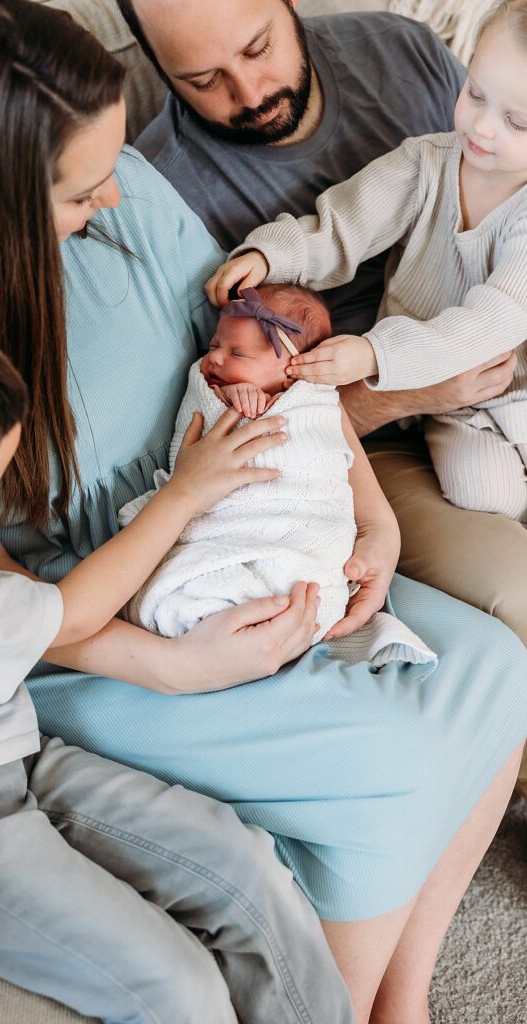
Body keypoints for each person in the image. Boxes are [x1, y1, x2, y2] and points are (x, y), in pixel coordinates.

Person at [0, 3, 524, 1022]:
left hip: (247, 514)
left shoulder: (126, 194)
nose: (114, 194)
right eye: (81, 189)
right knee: (383, 761)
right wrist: (173, 666)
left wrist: (370, 515)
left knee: (495, 668)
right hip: (90, 624)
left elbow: (262, 362)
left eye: (111, 165)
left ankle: (403, 999)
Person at [0, 315, 347, 1024]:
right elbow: (71, 616)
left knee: (247, 870)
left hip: (4, 745)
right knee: (176, 989)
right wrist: (184, 493)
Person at [119, 0, 527, 644]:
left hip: (490, 372)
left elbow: (497, 316)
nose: (249, 92)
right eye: (204, 79)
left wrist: (386, 356)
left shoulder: (401, 49)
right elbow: (340, 226)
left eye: (257, 47)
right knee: (495, 513)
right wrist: (270, 255)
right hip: (364, 432)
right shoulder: (151, 197)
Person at [207, 0, 527, 524]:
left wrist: (375, 353)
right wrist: (271, 254)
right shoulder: (424, 164)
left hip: (511, 381)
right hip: (448, 399)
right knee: (487, 495)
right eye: (475, 94)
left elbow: (488, 324)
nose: (483, 128)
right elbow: (343, 225)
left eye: (516, 122)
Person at [120, 282, 436, 671]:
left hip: (299, 525)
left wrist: (379, 528)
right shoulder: (214, 387)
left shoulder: (315, 402)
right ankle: (236, 619)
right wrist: (229, 400)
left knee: (310, 586)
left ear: (293, 372)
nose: (214, 358)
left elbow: (326, 458)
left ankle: (277, 616)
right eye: (214, 344)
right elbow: (197, 424)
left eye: (237, 353)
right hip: (225, 525)